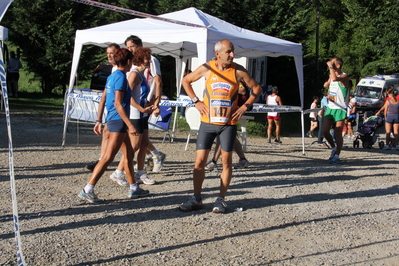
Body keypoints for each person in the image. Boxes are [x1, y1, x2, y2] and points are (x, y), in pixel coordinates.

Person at [179, 39, 262, 213]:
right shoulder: (207, 68)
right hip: (207, 123)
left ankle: (221, 199)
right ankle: (196, 198)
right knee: (200, 162)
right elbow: (186, 81)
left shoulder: (238, 70)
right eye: (228, 52)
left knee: (226, 161)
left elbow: (256, 88)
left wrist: (244, 107)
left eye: (232, 51)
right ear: (217, 54)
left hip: (228, 124)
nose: (232, 55)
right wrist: (196, 101)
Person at [78, 48, 149, 203]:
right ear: (128, 61)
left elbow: (105, 99)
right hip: (118, 121)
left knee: (129, 154)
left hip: (114, 120)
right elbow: (118, 103)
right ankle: (87, 189)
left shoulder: (112, 76)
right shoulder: (121, 78)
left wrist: (99, 120)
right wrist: (130, 124)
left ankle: (134, 188)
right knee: (107, 157)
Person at [111, 47, 157, 185]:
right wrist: (141, 108)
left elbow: (139, 96)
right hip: (135, 114)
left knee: (143, 144)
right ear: (140, 59)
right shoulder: (134, 74)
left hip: (142, 114)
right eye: (147, 58)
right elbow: (127, 96)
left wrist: (150, 104)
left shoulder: (143, 74)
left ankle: (141, 173)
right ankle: (118, 172)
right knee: (134, 146)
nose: (150, 60)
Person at [124, 35, 166, 173]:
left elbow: (158, 81)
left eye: (132, 46)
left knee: (138, 141)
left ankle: (126, 169)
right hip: (138, 105)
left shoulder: (151, 60)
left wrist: (156, 103)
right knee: (138, 140)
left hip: (144, 104)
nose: (130, 49)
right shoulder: (131, 64)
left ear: (139, 45)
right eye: (128, 47)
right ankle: (150, 159)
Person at [85, 43, 120, 172]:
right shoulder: (113, 70)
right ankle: (102, 161)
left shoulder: (123, 71)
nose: (109, 56)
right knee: (107, 134)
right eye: (107, 53)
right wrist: (98, 119)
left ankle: (134, 169)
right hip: (112, 111)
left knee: (130, 142)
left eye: (112, 53)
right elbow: (105, 94)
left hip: (121, 110)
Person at [205, 81, 251, 170]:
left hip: (230, 112)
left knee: (222, 135)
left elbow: (243, 91)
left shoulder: (237, 80)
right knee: (231, 137)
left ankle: (214, 161)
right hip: (223, 111)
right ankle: (243, 160)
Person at [321, 57, 349, 164]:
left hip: (340, 108)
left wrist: (330, 67)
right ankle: (333, 148)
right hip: (331, 107)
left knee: (338, 132)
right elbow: (326, 84)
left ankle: (337, 154)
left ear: (338, 66)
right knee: (325, 130)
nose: (330, 65)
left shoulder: (344, 76)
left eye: (333, 64)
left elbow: (336, 78)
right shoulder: (331, 76)